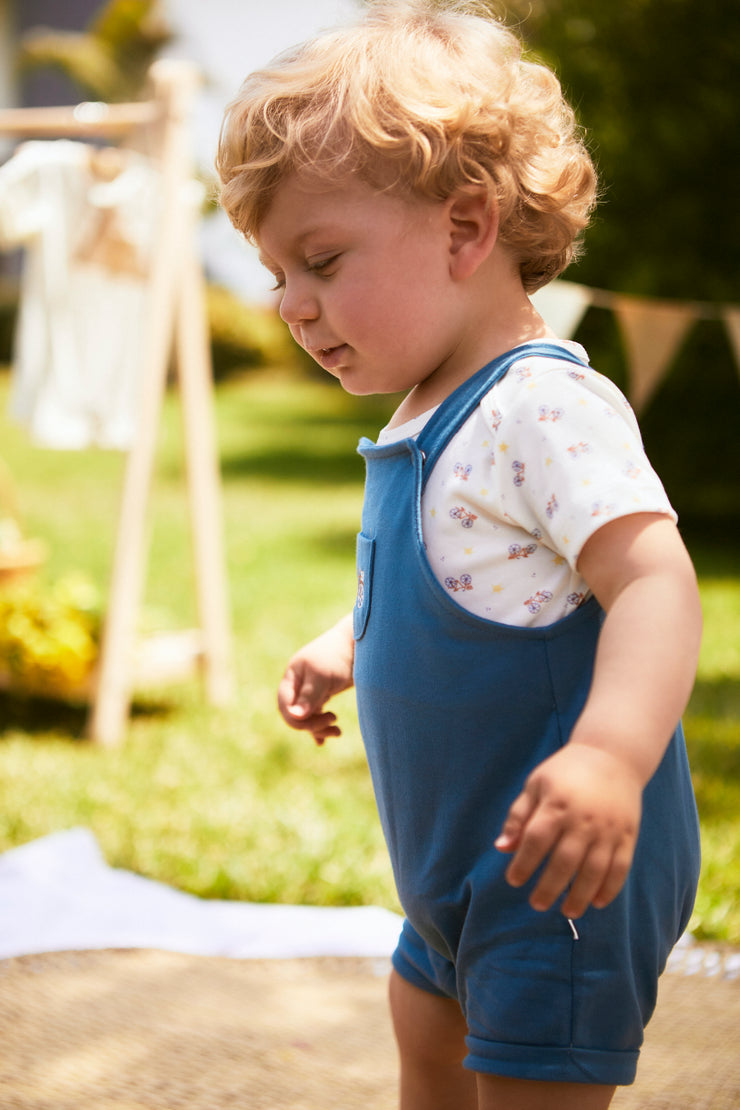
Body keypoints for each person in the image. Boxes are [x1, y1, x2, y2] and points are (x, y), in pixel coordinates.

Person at [216, 3, 702, 1107]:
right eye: (276, 273)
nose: (291, 304)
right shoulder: (428, 409)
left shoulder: (540, 405)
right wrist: (350, 641)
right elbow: (480, 577)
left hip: (558, 870)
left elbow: (654, 585)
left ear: (465, 227)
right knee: (423, 1028)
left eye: (321, 259)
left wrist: (609, 757)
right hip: (452, 867)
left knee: (523, 1076)